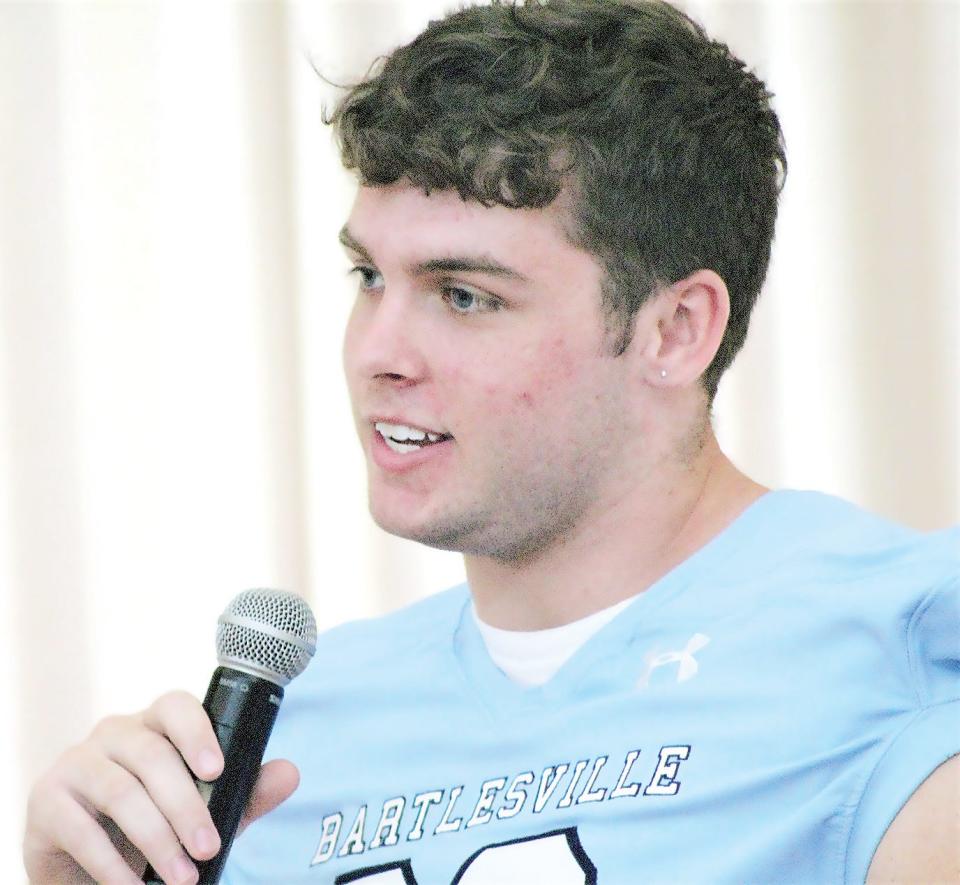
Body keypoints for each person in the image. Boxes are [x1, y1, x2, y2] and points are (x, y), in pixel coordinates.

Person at [23, 1, 958, 883]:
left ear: (675, 330)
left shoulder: (904, 649)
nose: (377, 352)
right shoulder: (284, 736)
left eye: (464, 294)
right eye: (368, 276)